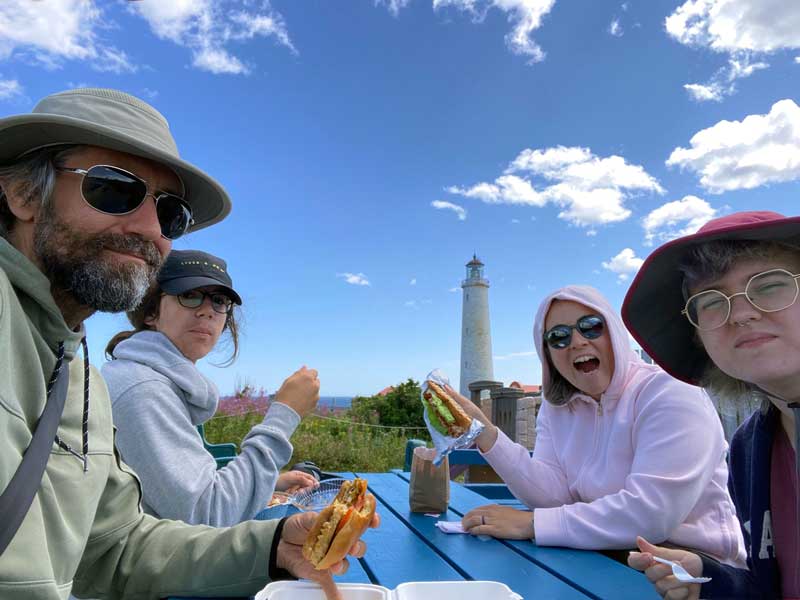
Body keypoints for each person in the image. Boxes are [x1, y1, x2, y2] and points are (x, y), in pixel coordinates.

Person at [0, 87, 376, 600]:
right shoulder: (126, 382)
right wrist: (283, 414)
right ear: (21, 195)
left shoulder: (79, 376)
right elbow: (205, 511)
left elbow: (114, 548)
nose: (150, 227)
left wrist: (269, 549)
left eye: (171, 212)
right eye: (114, 189)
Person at [447, 285, 745, 568]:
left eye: (591, 326)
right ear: (547, 353)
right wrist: (485, 433)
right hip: (600, 557)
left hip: (696, 572)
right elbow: (552, 497)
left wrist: (533, 524)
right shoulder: (556, 408)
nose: (577, 341)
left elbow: (651, 513)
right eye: (558, 337)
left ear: (615, 331)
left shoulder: (669, 391)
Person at [623, 211, 800, 600]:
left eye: (770, 285)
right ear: (699, 335)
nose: (740, 313)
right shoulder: (750, 446)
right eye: (712, 302)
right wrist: (707, 579)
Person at [102, 249, 319, 526]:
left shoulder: (153, 379)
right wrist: (285, 415)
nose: (207, 311)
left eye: (219, 301)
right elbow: (209, 516)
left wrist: (267, 484)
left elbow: (188, 489)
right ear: (151, 312)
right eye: (189, 295)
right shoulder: (143, 390)